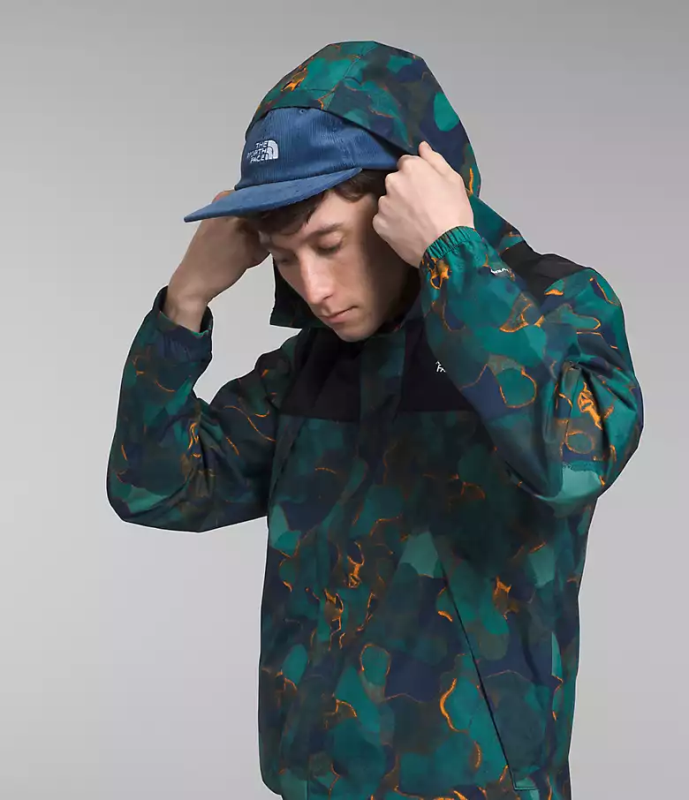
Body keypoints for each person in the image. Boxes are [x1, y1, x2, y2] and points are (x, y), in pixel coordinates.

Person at [106, 40, 644, 800]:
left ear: (404, 200)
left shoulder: (554, 309)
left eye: (328, 244)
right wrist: (184, 302)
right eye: (284, 258)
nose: (314, 288)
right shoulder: (313, 365)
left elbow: (573, 461)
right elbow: (156, 488)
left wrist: (453, 255)